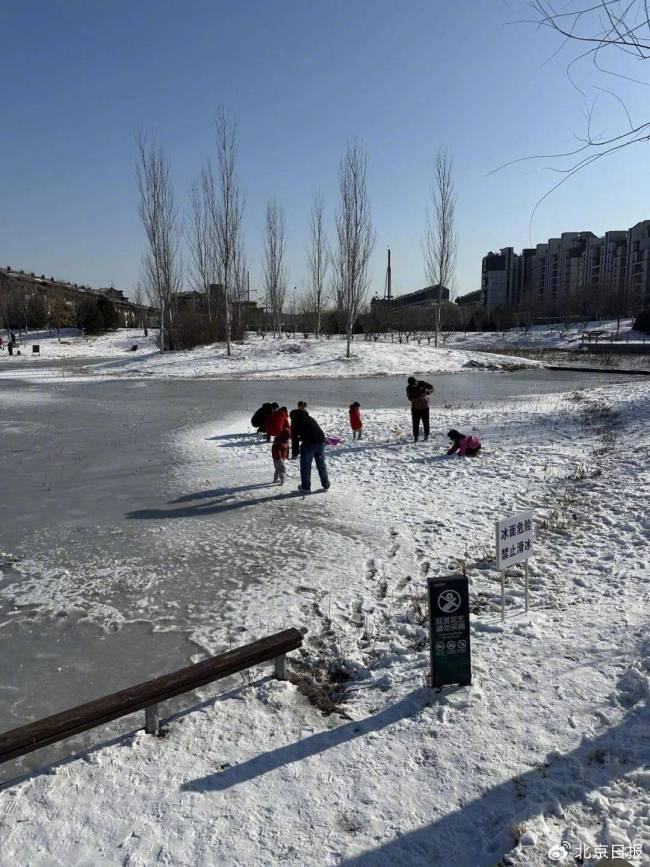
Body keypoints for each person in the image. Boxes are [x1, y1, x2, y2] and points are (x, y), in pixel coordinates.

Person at [291, 407, 330, 492]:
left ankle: (305, 487)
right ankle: (326, 484)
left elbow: (294, 439)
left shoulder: (295, 421)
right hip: (321, 441)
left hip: (309, 444)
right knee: (321, 464)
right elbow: (311, 431)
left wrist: (295, 453)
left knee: (306, 465)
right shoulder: (309, 418)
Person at [406, 377, 434, 442]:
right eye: (412, 385)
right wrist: (419, 397)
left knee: (426, 423)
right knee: (415, 423)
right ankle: (416, 437)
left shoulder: (422, 383)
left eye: (414, 384)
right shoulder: (409, 388)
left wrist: (428, 392)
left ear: (416, 381)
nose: (413, 386)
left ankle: (426, 436)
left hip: (425, 407)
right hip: (415, 408)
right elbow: (410, 399)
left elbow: (432, 388)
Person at [271, 416, 291, 484]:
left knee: (277, 469)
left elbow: (286, 449)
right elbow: (277, 450)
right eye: (287, 438)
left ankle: (275, 479)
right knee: (282, 469)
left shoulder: (284, 441)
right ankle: (283, 480)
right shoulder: (279, 442)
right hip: (278, 458)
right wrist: (279, 458)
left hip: (281, 457)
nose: (287, 439)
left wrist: (286, 456)